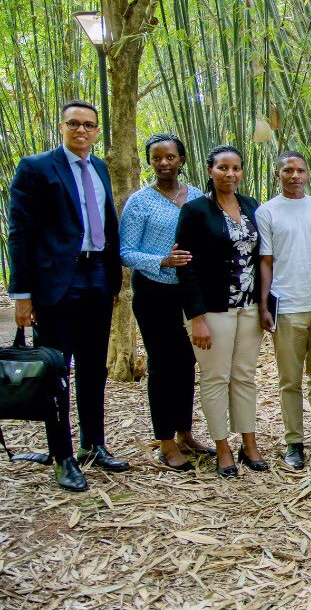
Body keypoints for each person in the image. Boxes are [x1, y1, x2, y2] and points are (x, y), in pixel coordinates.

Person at [7, 100, 129, 489]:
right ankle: (62, 456)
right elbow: (20, 234)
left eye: (89, 125)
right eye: (74, 124)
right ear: (61, 126)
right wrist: (22, 295)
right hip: (56, 281)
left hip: (96, 275)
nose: (82, 130)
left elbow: (107, 224)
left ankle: (93, 444)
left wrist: (112, 281)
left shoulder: (99, 167)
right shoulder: (37, 167)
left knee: (94, 367)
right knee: (57, 370)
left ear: (96, 131)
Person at [119, 133, 214, 471]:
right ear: (150, 162)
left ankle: (186, 432)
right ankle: (166, 442)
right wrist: (162, 260)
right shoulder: (140, 201)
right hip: (154, 292)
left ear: (181, 160)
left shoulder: (199, 198)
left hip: (190, 292)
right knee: (162, 366)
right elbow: (126, 252)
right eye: (157, 158)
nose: (163, 163)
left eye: (170, 157)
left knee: (187, 362)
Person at [175, 145, 266, 478]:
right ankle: (223, 449)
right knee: (216, 378)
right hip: (212, 309)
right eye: (223, 168)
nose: (231, 174)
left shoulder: (252, 206)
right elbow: (185, 266)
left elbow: (262, 258)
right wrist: (196, 317)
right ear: (210, 170)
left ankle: (249, 443)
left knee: (244, 376)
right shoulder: (196, 210)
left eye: (237, 168)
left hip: (249, 306)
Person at [256, 152, 311, 470]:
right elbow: (265, 260)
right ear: (277, 174)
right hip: (288, 307)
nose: (294, 175)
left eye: (300, 170)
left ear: (308, 175)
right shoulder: (267, 211)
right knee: (289, 380)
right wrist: (264, 304)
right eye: (287, 170)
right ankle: (294, 441)